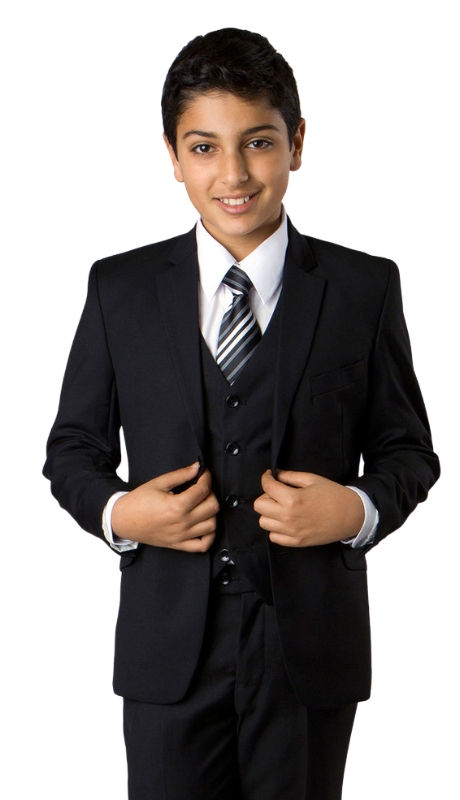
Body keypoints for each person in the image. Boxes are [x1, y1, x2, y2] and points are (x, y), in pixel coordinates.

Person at [43, 27, 440, 800]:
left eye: (258, 142)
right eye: (204, 148)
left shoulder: (364, 289)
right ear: (172, 154)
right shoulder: (119, 290)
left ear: (297, 143)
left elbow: (408, 452)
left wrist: (355, 509)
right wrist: (123, 513)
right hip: (167, 652)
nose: (233, 173)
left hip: (308, 653)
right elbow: (73, 449)